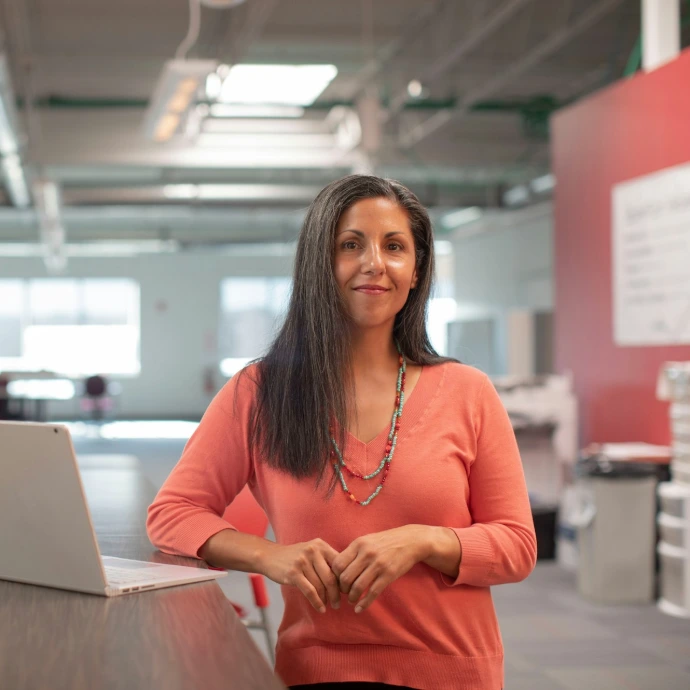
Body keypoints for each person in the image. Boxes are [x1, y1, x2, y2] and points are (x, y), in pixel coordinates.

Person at [147, 175, 537, 690]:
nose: (375, 262)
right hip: (315, 672)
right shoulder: (260, 391)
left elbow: (516, 546)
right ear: (320, 265)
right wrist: (268, 556)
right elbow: (171, 515)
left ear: (416, 271)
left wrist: (423, 541)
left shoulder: (468, 392)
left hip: (451, 672)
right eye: (351, 245)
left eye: (394, 246)